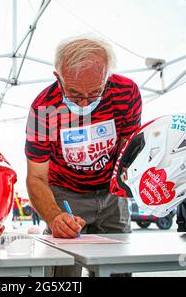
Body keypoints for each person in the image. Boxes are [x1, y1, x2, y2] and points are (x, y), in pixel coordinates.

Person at [25, 36, 142, 276]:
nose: (85, 102)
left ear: (107, 75)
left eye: (96, 92)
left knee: (118, 268)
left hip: (111, 194)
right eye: (75, 94)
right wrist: (55, 217)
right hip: (64, 194)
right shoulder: (43, 109)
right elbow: (36, 177)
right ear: (58, 77)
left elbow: (126, 152)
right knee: (63, 273)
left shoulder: (126, 93)